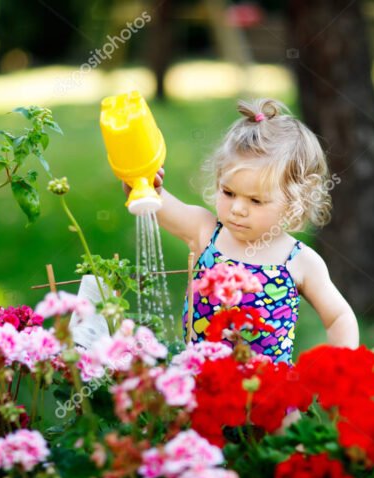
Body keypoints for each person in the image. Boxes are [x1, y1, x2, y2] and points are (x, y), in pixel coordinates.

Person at [124, 98, 359, 364]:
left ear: (297, 201)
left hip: (265, 397)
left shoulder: (299, 261)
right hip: (202, 388)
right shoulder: (205, 232)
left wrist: (340, 371)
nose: (237, 209)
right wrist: (145, 188)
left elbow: (339, 317)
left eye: (255, 200)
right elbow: (159, 205)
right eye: (228, 192)